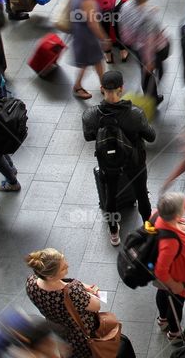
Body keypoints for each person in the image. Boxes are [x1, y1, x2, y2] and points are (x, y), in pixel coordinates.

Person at [81, 70, 155, 245]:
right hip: (134, 161)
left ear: (101, 89)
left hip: (108, 164)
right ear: (121, 89)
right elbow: (151, 136)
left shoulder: (90, 115)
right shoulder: (135, 114)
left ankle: (114, 231)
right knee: (142, 194)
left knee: (110, 195)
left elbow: (88, 136)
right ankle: (148, 228)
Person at [25, 248, 133, 357]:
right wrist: (88, 292)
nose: (67, 265)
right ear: (50, 276)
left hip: (62, 334)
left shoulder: (31, 283)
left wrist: (80, 286)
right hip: (83, 333)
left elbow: (61, 283)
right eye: (63, 268)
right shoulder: (71, 292)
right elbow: (96, 305)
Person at [149, 192, 185, 341]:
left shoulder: (157, 215)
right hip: (175, 275)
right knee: (176, 304)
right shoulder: (171, 242)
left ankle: (162, 319)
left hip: (160, 271)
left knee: (161, 293)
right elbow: (161, 271)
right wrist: (175, 286)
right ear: (176, 214)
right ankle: (174, 333)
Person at [69, 0, 110, 101]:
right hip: (88, 38)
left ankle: (100, 85)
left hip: (80, 35)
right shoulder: (88, 3)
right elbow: (93, 24)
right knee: (94, 60)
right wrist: (104, 38)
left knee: (90, 62)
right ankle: (79, 86)